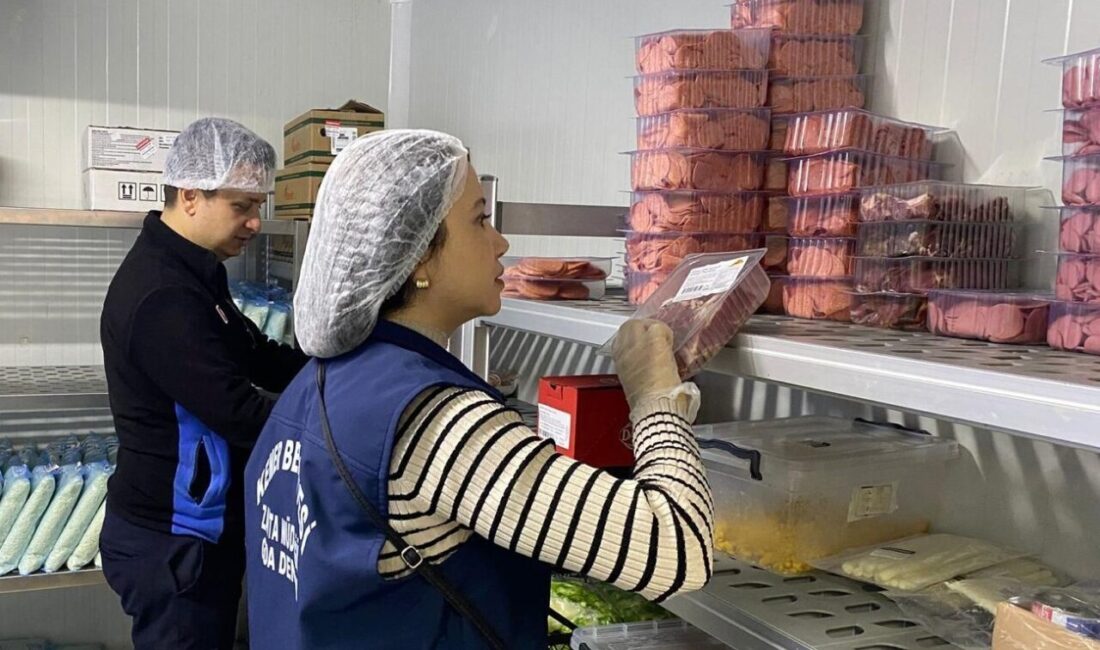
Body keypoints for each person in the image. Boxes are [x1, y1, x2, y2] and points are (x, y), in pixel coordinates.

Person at [244, 129, 713, 649]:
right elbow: (677, 550)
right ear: (419, 256)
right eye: (480, 219)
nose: (502, 242)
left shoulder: (322, 379)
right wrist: (656, 400)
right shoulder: (438, 420)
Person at [99, 118, 309, 650]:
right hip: (172, 540)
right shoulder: (161, 293)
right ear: (191, 196)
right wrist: (341, 429)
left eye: (258, 207)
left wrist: (335, 367)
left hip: (196, 532)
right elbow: (238, 411)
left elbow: (253, 354)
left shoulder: (196, 271)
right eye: (242, 207)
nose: (256, 223)